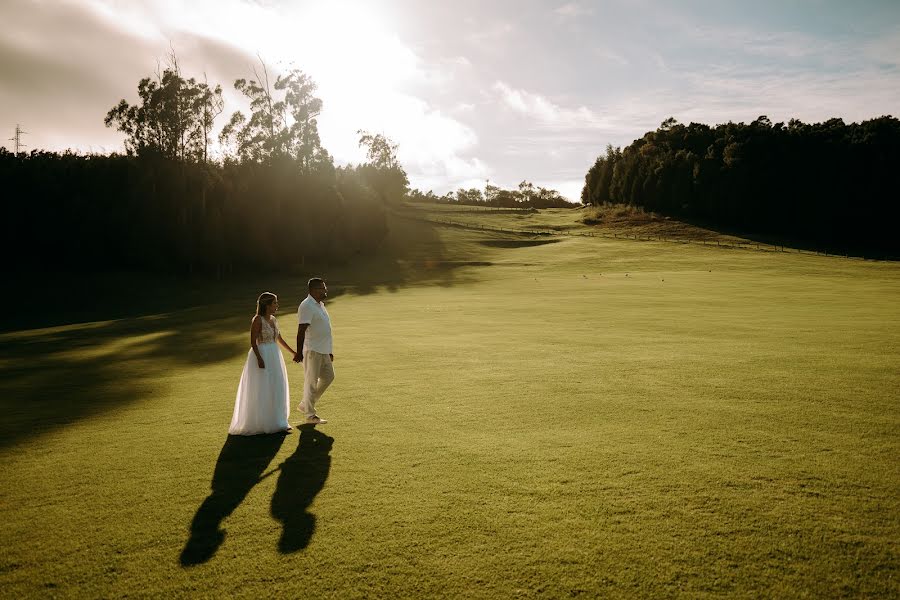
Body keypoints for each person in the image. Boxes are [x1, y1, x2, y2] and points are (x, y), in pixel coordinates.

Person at [229, 292, 297, 435]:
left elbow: (279, 338)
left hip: (275, 355)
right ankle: (263, 422)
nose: (277, 306)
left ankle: (279, 421)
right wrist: (259, 358)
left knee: (277, 386)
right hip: (262, 354)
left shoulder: (273, 319)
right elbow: (253, 341)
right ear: (267, 305)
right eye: (274, 303)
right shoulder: (257, 320)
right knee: (263, 387)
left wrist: (293, 352)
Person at [293, 278, 335, 425]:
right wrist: (299, 352)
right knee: (311, 382)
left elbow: (325, 330)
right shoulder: (307, 306)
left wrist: (329, 350)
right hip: (312, 350)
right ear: (313, 290)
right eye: (322, 288)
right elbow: (301, 330)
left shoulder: (320, 305)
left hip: (323, 350)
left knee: (329, 376)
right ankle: (310, 415)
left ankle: (305, 404)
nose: (325, 291)